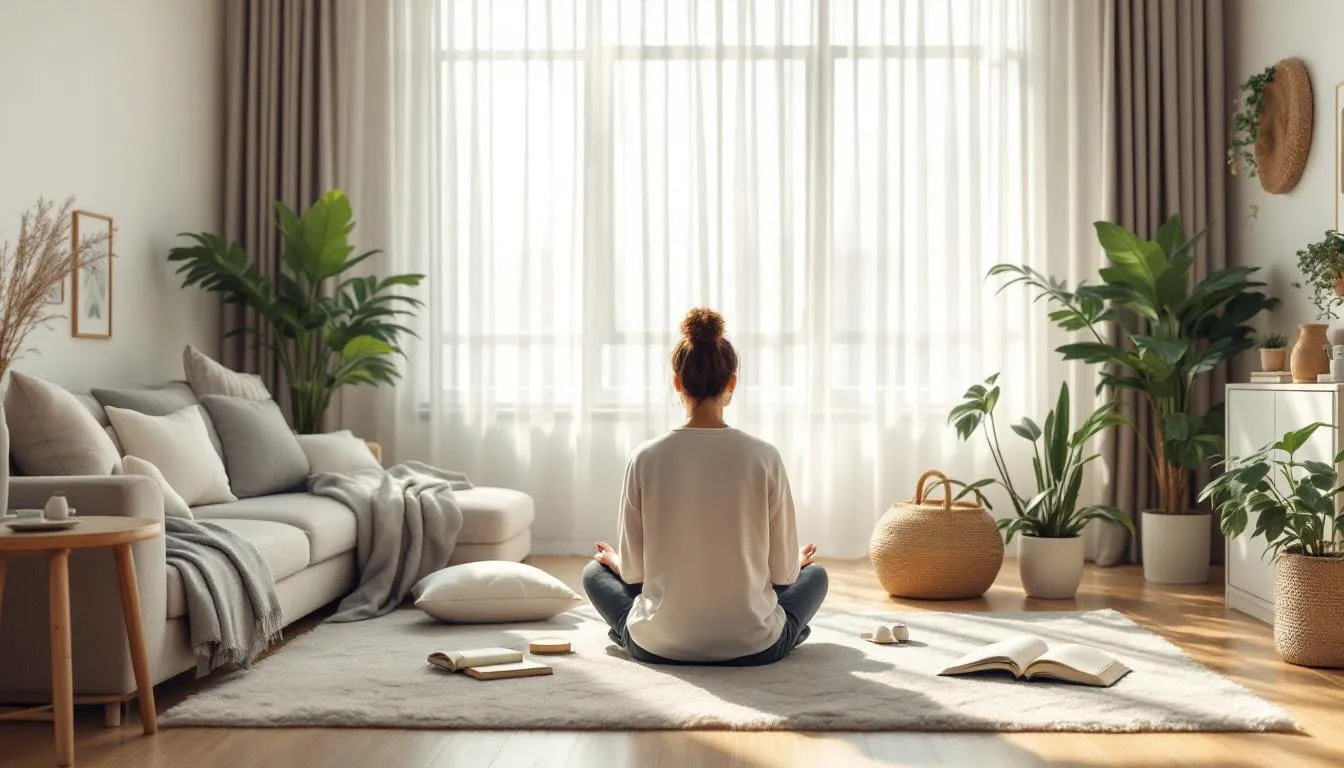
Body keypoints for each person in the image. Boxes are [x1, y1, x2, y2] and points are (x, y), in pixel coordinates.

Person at [582, 307, 828, 666]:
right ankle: (789, 633)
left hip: (660, 645)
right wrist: (795, 564)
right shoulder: (764, 456)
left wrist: (615, 562)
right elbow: (782, 575)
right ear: (732, 382)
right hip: (754, 647)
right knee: (815, 576)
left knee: (593, 573)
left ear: (677, 382)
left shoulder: (644, 457)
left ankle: (630, 634)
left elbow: (634, 574)